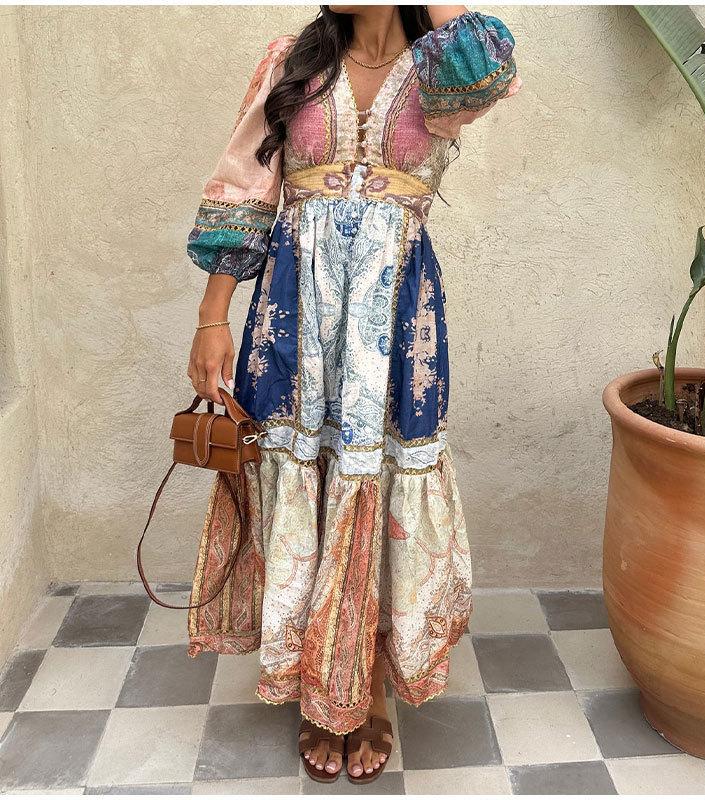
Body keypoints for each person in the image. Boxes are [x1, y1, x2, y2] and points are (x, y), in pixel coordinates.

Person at [185, 3, 519, 784]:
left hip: (397, 317)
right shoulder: (292, 61)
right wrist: (211, 318)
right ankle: (317, 681)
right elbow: (245, 191)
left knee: (378, 476)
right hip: (292, 314)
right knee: (310, 471)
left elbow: (490, 65)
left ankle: (364, 686)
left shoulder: (445, 67)